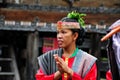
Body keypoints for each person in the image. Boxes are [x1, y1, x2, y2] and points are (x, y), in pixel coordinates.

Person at [35, 11, 97, 80]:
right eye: (58, 33)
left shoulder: (87, 61)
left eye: (63, 32)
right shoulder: (48, 58)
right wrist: (58, 73)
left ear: (75, 36)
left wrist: (69, 71)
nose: (59, 36)